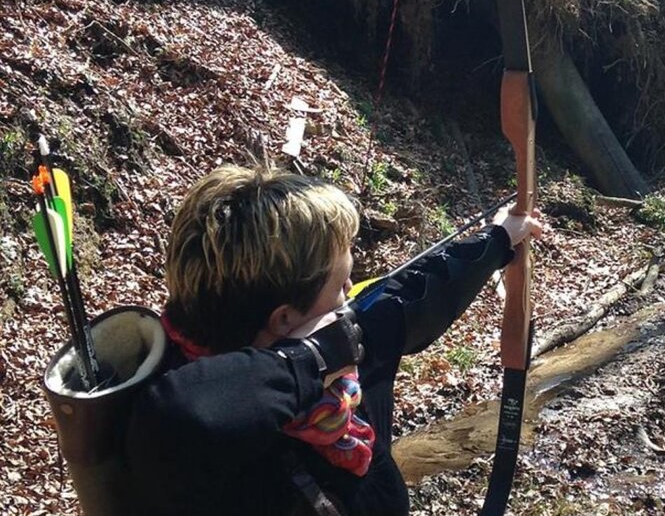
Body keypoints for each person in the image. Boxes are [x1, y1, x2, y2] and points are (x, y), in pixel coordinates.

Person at [124, 164, 541, 516]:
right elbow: (181, 414)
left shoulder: (345, 344)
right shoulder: (191, 429)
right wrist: (313, 358)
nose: (350, 295)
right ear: (285, 318)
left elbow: (415, 292)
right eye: (341, 286)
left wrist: (498, 240)